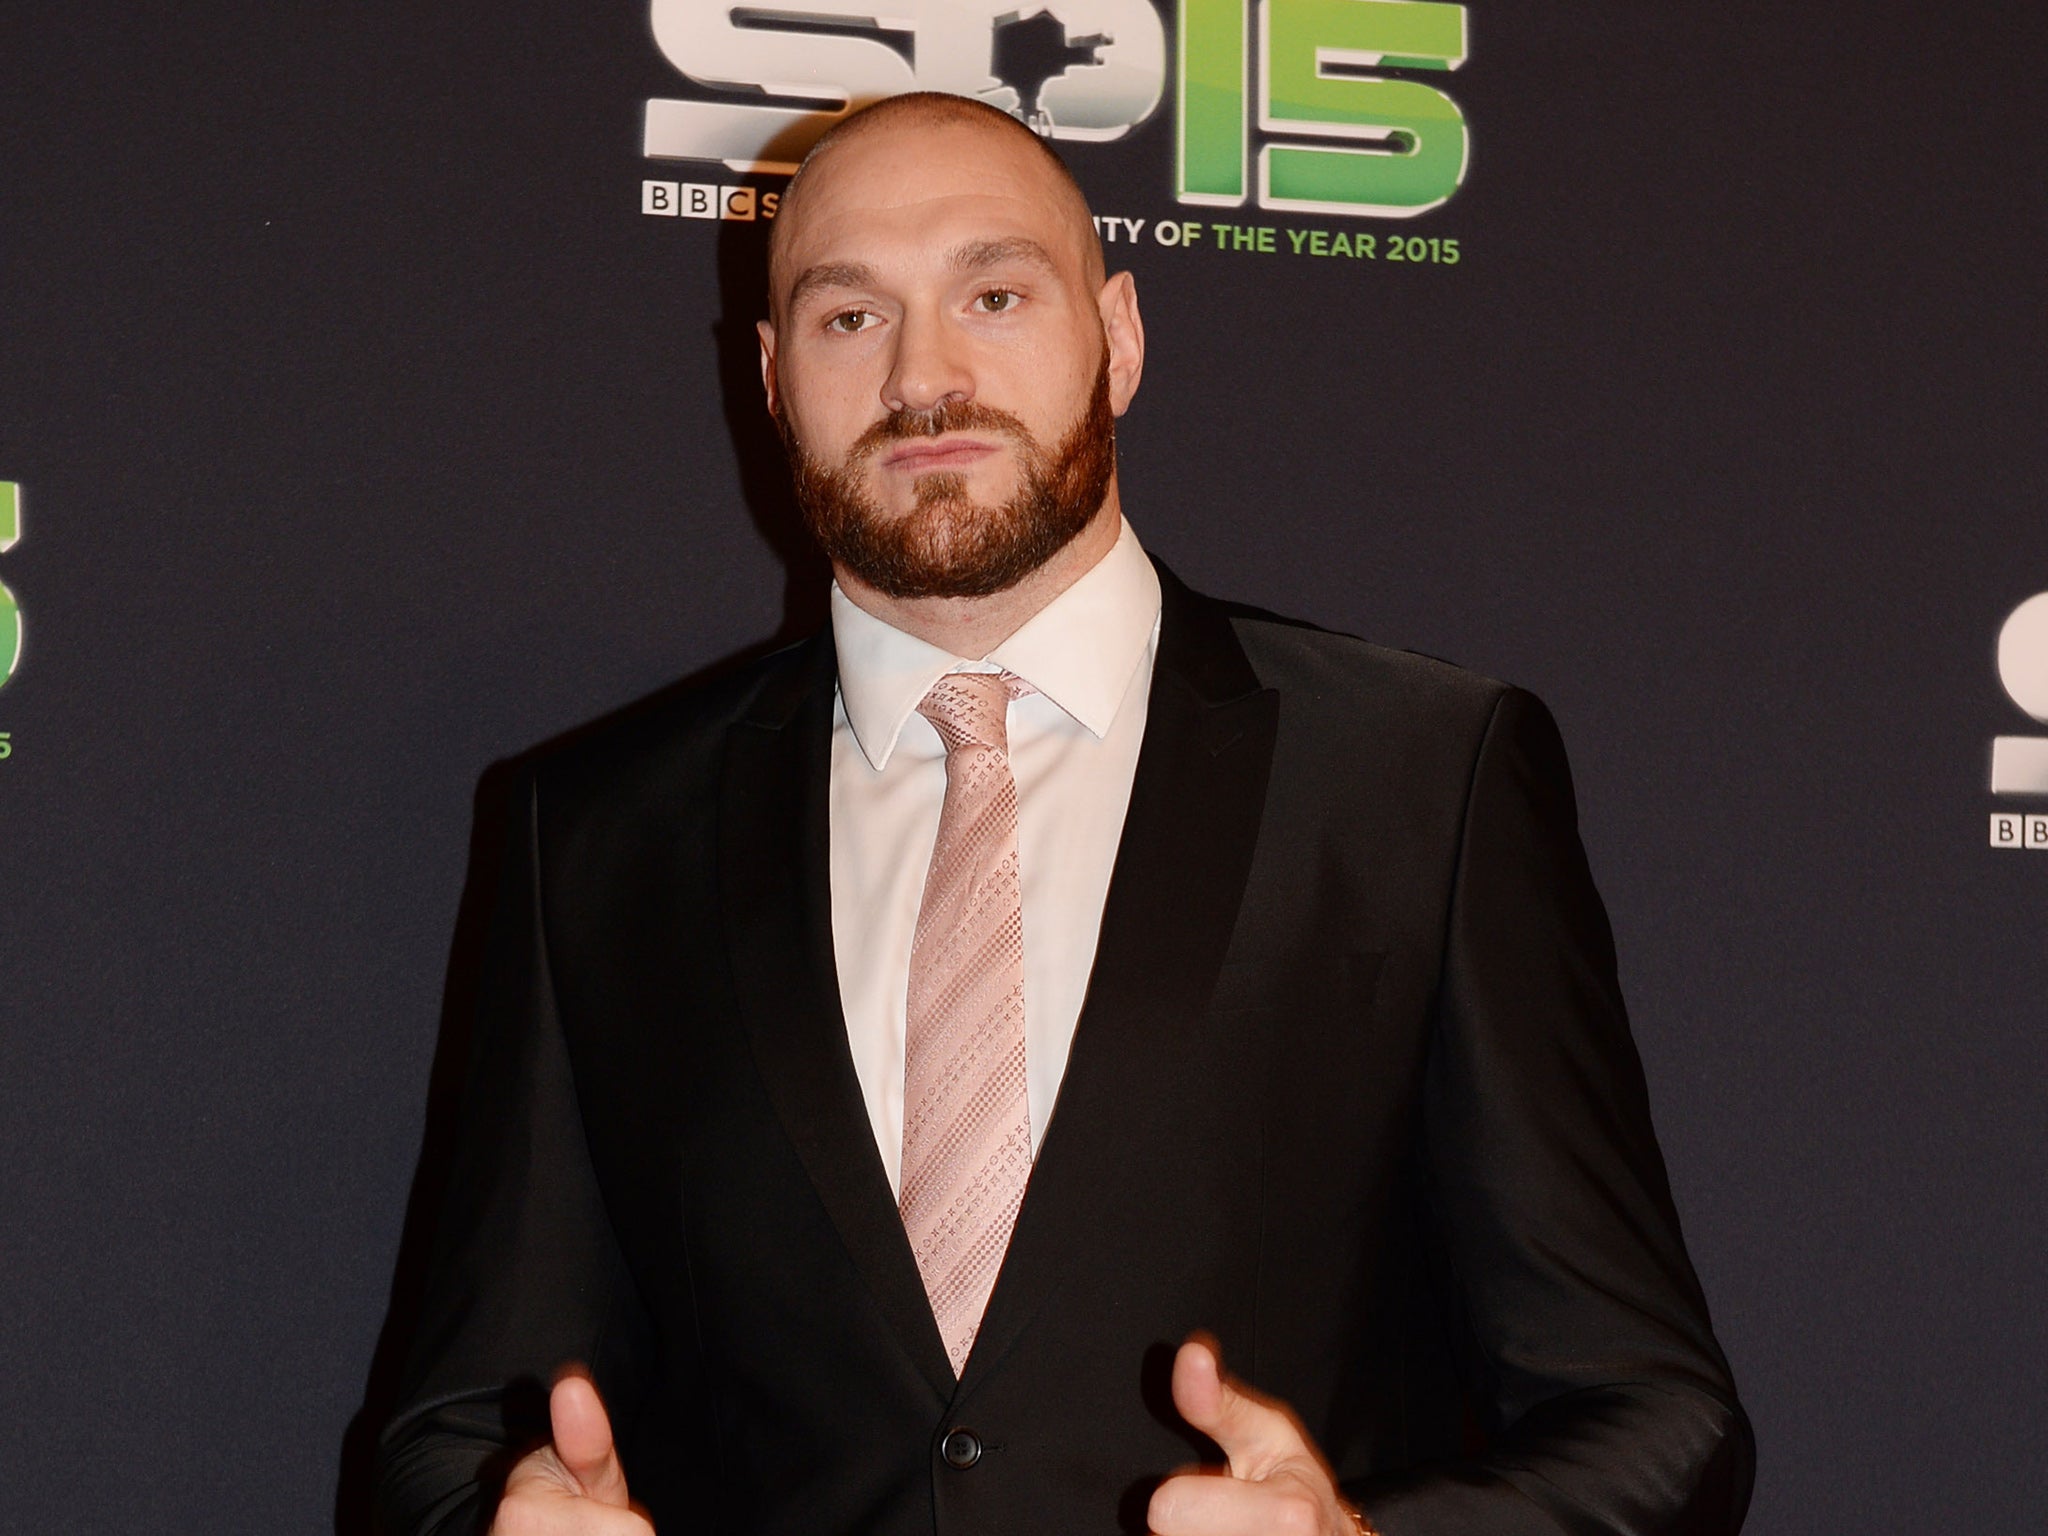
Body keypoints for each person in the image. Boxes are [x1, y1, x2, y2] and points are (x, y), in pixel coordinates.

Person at [377, 92, 1753, 1536]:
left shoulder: (1420, 773)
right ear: (773, 378)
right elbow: (456, 1431)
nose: (927, 376)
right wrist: (494, 1517)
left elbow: (1659, 1417)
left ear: (1123, 336)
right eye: (852, 317)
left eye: (994, 292)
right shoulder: (598, 830)